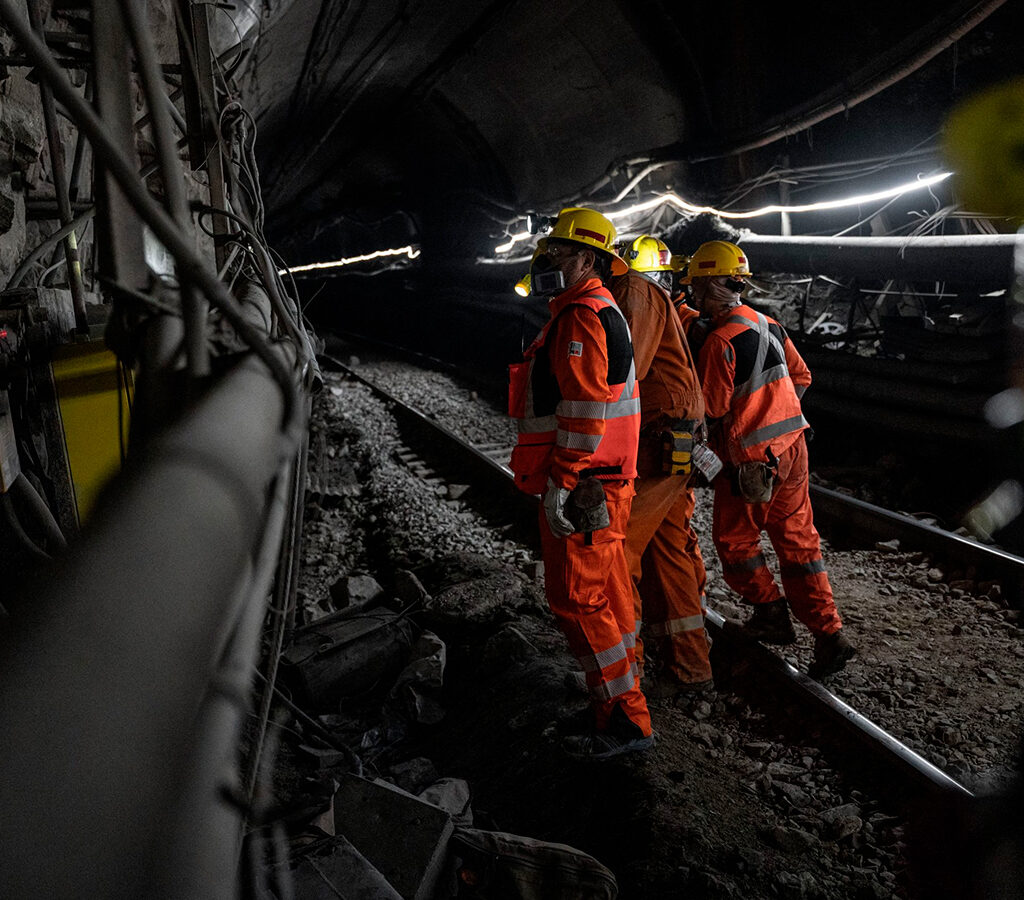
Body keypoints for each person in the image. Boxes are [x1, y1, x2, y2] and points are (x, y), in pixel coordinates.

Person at [508, 207, 654, 758]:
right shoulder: (589, 309)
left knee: (576, 600)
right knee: (609, 597)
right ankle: (614, 702)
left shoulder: (584, 316)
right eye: (549, 251)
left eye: (560, 253)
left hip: (587, 484)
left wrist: (563, 483)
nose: (549, 261)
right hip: (606, 481)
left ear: (589, 258)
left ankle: (627, 721)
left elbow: (586, 409)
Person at [685, 240, 855, 677]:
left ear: (715, 287)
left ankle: (770, 613)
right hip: (794, 449)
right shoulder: (769, 324)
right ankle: (829, 634)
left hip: (751, 465)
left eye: (699, 288)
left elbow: (712, 411)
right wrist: (776, 414)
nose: (694, 297)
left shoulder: (720, 342)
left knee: (735, 542)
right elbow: (801, 376)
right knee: (799, 542)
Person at [609, 235, 713, 701]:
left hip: (657, 443)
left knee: (618, 551)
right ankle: (693, 670)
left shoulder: (635, 293)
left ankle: (626, 676)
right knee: (670, 552)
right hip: (675, 442)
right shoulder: (656, 296)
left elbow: (623, 374)